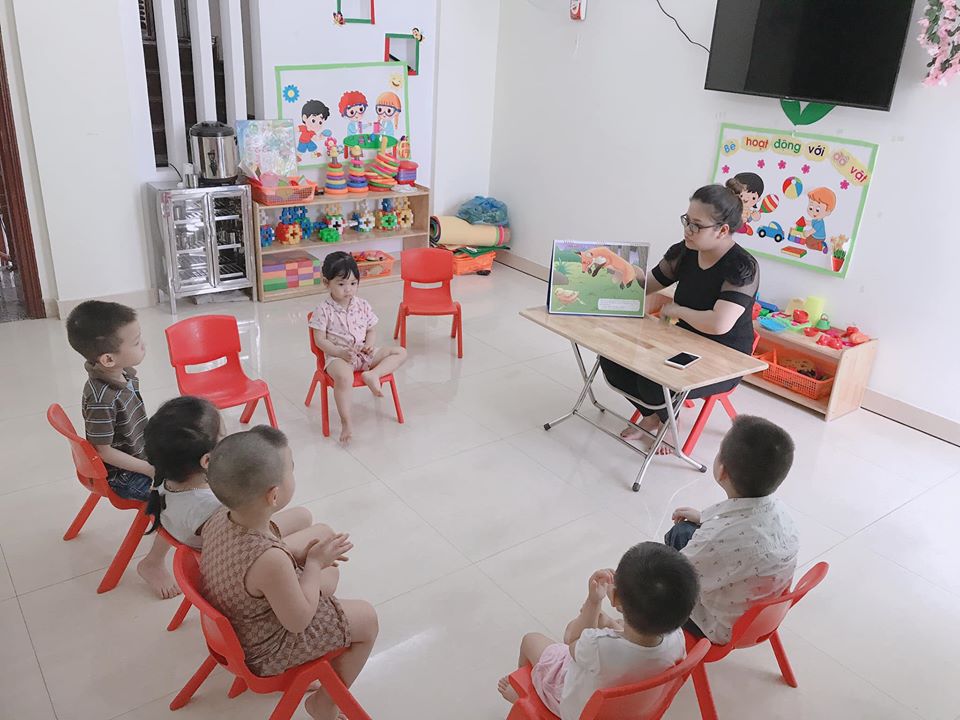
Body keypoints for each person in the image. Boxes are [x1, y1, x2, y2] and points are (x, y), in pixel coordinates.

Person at [201, 426, 378, 720]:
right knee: (367, 618)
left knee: (328, 566)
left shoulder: (220, 517)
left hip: (233, 620)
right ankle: (324, 703)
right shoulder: (269, 560)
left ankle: (321, 587)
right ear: (274, 495)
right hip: (264, 650)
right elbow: (298, 622)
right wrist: (313, 564)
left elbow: (257, 564)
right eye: (291, 469)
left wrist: (305, 559)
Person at [601, 180, 759, 451]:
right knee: (612, 360)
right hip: (683, 341)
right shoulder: (685, 252)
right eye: (687, 220)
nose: (688, 230)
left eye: (696, 225)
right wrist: (617, 270)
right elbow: (647, 284)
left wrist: (677, 310)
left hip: (724, 356)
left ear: (722, 230)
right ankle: (653, 416)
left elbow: (719, 324)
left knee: (653, 380)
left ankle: (669, 423)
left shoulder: (741, 267)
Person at [498, 543, 699, 720]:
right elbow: (638, 648)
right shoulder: (678, 640)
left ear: (615, 597)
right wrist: (612, 624)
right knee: (616, 625)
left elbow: (571, 639)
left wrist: (593, 601)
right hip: (634, 712)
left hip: (578, 711)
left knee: (531, 640)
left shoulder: (598, 647)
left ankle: (527, 696)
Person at [65, 300, 179, 599]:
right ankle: (152, 563)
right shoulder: (101, 398)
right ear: (107, 358)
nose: (144, 345)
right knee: (178, 498)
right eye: (137, 341)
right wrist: (149, 469)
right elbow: (103, 452)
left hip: (139, 453)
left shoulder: (122, 373)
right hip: (122, 475)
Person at [666, 415, 800, 644]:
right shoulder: (783, 514)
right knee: (685, 533)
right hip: (763, 616)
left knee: (673, 544)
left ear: (722, 471)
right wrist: (704, 518)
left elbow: (673, 576)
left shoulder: (715, 541)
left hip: (719, 627)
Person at [143, 396, 337, 553]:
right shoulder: (211, 506)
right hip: (237, 549)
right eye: (223, 435)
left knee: (303, 516)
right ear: (207, 461)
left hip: (213, 535)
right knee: (324, 533)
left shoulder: (168, 472)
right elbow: (252, 532)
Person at [308, 252, 407, 444]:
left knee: (400, 351)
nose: (348, 289)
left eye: (353, 283)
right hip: (339, 358)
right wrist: (339, 352)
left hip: (364, 353)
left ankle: (373, 375)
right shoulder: (323, 310)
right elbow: (319, 340)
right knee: (344, 378)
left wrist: (369, 345)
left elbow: (371, 330)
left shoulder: (362, 305)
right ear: (326, 282)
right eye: (341, 284)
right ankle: (346, 422)